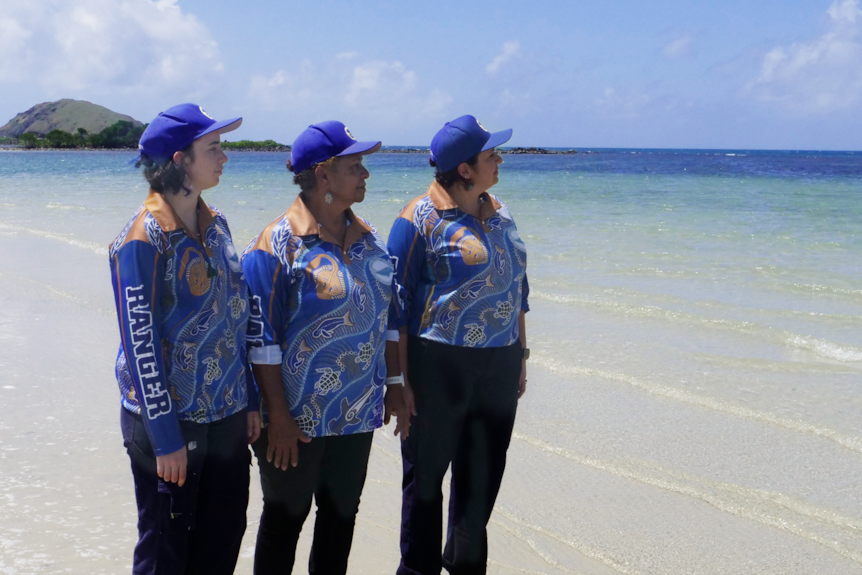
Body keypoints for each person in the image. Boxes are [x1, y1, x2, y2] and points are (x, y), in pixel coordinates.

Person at [241, 121, 410, 575]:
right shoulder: (276, 244)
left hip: (356, 413)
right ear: (323, 175)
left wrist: (396, 383)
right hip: (295, 418)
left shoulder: (370, 240)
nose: (365, 175)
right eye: (355, 167)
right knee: (284, 520)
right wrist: (277, 415)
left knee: (340, 520)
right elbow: (261, 339)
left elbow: (390, 319)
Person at [109, 103, 260, 575]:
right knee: (165, 554)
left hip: (227, 414)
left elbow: (237, 313)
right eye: (213, 148)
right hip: (170, 425)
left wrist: (251, 397)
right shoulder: (143, 238)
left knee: (222, 540)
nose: (224, 157)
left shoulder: (217, 226)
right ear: (179, 160)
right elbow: (141, 346)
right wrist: (166, 437)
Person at [387, 115, 530, 575]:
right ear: (464, 169)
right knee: (426, 479)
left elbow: (518, 289)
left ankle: (466, 565)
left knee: (482, 478)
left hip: (500, 365)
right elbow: (398, 310)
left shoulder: (501, 211)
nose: (500, 160)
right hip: (438, 365)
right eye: (491, 155)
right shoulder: (417, 220)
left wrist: (521, 356)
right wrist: (400, 381)